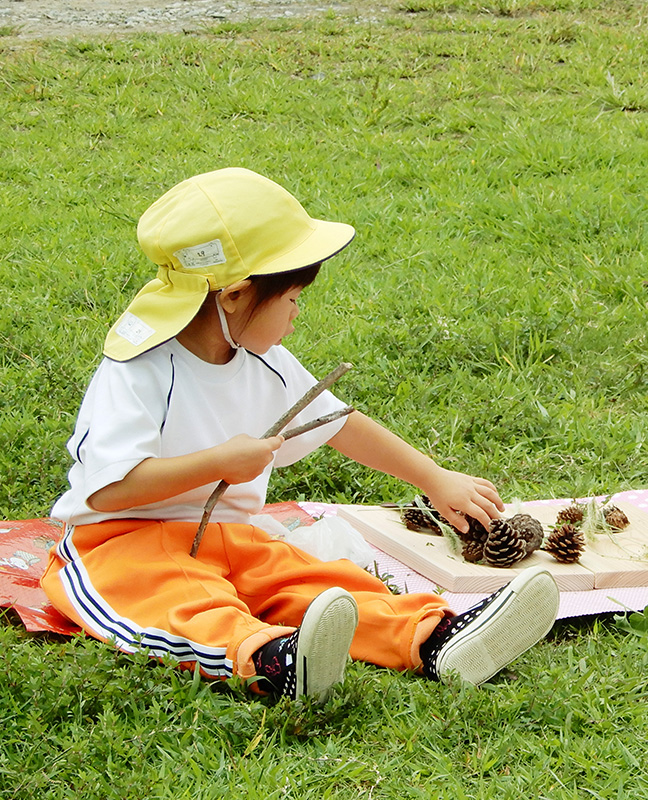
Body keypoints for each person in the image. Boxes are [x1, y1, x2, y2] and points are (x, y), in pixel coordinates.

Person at [42, 167, 560, 700]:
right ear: (236, 295)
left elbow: (343, 426)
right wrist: (220, 461)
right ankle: (270, 659)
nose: (295, 316)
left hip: (230, 538)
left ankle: (434, 638)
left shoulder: (267, 363)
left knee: (312, 582)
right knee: (180, 598)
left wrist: (433, 477)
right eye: (291, 300)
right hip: (120, 540)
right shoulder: (139, 368)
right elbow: (108, 490)